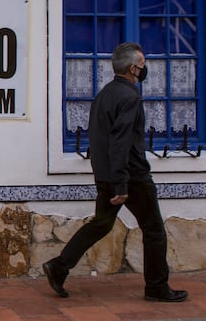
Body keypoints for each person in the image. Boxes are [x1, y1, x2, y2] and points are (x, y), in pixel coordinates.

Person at [42, 42, 188, 303]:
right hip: (131, 176)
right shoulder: (130, 97)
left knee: (101, 224)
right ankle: (156, 287)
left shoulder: (105, 94)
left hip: (108, 173)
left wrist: (105, 176)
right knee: (154, 230)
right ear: (133, 68)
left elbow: (98, 139)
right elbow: (120, 141)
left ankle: (59, 266)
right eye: (142, 65)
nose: (144, 69)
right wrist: (121, 184)